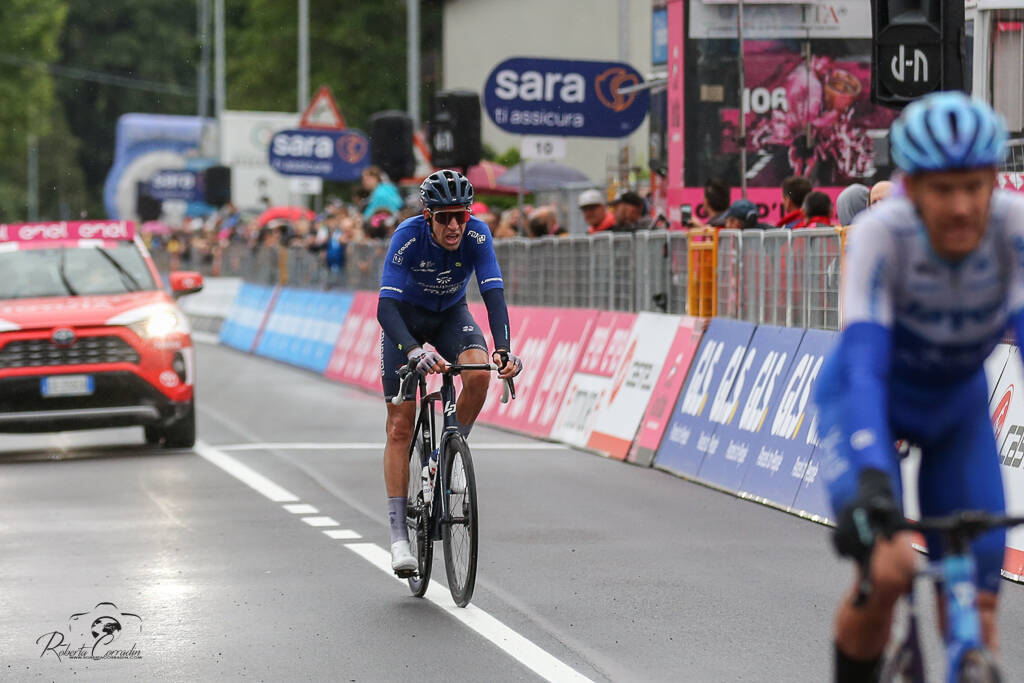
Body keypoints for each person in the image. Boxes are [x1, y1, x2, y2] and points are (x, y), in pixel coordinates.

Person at [814, 92, 1020, 683]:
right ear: (911, 188)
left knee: (978, 602)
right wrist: (874, 490)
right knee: (888, 572)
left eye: (974, 187)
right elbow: (863, 367)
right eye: (941, 189)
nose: (960, 207)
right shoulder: (883, 234)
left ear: (993, 182)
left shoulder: (1014, 231)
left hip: (956, 411)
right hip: (870, 402)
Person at [376, 169, 523, 575]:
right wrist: (413, 350)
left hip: (450, 317)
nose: (454, 225)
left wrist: (504, 348)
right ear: (428, 217)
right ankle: (399, 539)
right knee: (400, 427)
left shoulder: (477, 234)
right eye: (444, 217)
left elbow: (493, 294)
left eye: (460, 215)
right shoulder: (407, 236)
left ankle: (450, 454)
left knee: (478, 373)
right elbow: (384, 309)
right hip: (405, 324)